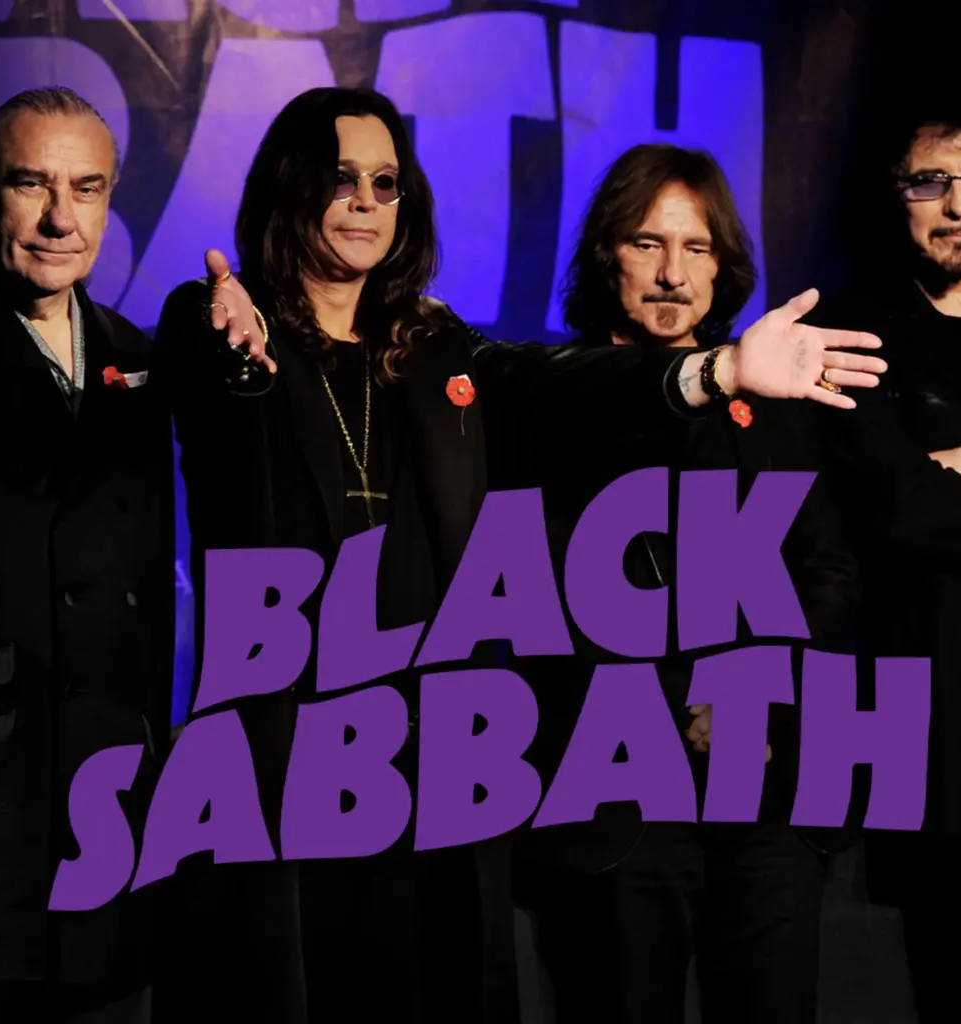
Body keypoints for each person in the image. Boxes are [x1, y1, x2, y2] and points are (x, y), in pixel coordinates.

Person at [152, 87, 885, 1024]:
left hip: (423, 759)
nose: (366, 201)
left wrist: (721, 368)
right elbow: (200, 364)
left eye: (386, 182)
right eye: (340, 179)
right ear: (290, 188)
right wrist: (229, 329)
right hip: (280, 752)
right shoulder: (219, 324)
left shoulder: (430, 348)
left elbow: (550, 379)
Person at [487, 143, 859, 1024]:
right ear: (605, 255)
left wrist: (752, 692)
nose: (671, 275)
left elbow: (830, 573)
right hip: (615, 801)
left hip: (765, 795)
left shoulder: (777, 409)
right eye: (646, 243)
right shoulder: (552, 395)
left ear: (724, 266)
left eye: (697, 248)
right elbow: (531, 600)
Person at [0, 88, 174, 1023]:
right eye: (31, 184)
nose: (61, 218)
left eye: (86, 188)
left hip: (111, 815)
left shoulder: (137, 359)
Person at [806, 108, 961, 1023]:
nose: (959, 205)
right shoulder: (855, 331)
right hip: (940, 741)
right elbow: (899, 511)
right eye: (931, 182)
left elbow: (930, 500)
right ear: (897, 197)